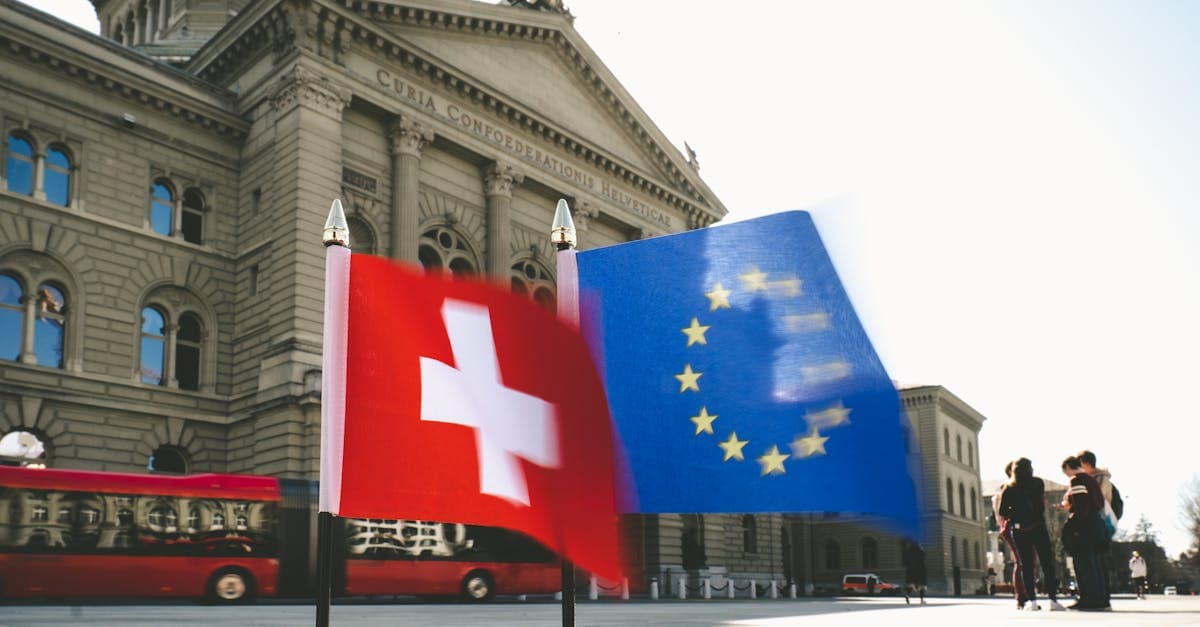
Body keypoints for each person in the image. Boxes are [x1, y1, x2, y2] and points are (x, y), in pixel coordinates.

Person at [998, 458, 1065, 611]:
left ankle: (1032, 601)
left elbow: (1002, 511)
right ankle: (1053, 600)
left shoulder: (1009, 487)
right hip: (1038, 527)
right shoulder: (1037, 483)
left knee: (1026, 566)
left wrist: (1015, 515)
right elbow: (1040, 504)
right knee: (1047, 564)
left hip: (1020, 530)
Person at [1060, 455, 1110, 611]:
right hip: (1096, 524)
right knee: (1094, 564)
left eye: (1065, 472)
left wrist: (1074, 526)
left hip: (1084, 527)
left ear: (1068, 467)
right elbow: (1098, 502)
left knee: (1084, 564)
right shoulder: (1091, 480)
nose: (1067, 475)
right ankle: (1100, 598)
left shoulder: (1077, 480)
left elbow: (1081, 505)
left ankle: (1088, 599)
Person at [1077, 450, 1115, 608]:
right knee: (1092, 561)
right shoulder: (1096, 479)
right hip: (1093, 523)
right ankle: (1090, 597)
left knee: (1098, 561)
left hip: (1098, 523)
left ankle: (1103, 598)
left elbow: (1102, 500)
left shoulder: (1101, 479)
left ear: (1085, 464)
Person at [994, 460, 1027, 609]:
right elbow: (1001, 511)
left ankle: (1023, 594)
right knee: (1022, 561)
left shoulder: (1007, 486)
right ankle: (1022, 595)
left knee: (1021, 561)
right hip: (1012, 525)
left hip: (1007, 525)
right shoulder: (1009, 486)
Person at [902, 539, 927, 605]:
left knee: (911, 585)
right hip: (920, 570)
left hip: (910, 571)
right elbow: (923, 560)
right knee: (921, 585)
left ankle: (907, 595)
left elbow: (905, 562)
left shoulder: (908, 552)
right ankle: (921, 600)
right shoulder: (921, 551)